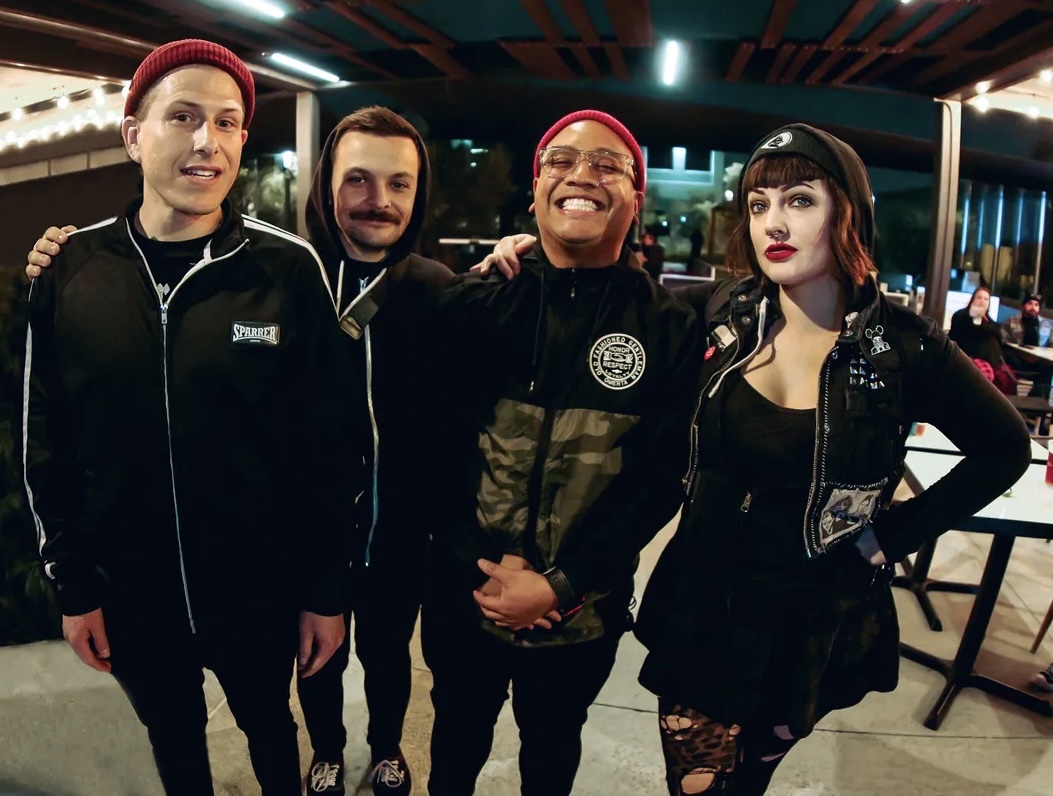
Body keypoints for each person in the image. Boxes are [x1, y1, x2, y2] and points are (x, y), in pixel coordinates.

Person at [26, 106, 453, 796]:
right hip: (275, 548)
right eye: (358, 179)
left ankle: (384, 749)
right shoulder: (292, 270)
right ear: (326, 186)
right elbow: (49, 430)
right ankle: (327, 752)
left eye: (399, 183)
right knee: (304, 675)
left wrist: (517, 255)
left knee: (383, 656)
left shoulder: (438, 290)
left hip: (392, 532)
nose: (378, 199)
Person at [628, 123, 1031, 795]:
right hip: (703, 611)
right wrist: (532, 256)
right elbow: (620, 304)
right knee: (697, 786)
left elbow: (1004, 450)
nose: (773, 223)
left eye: (799, 200)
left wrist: (886, 540)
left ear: (846, 212)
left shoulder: (903, 347)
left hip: (810, 624)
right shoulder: (724, 309)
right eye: (758, 204)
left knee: (751, 779)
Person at [424, 109, 699, 796]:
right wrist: (484, 572)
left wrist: (560, 585)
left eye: (608, 165)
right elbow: (433, 455)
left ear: (635, 197)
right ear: (535, 191)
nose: (582, 175)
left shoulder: (668, 327)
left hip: (581, 615)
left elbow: (658, 480)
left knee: (551, 750)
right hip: (466, 598)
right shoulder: (475, 302)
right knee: (455, 741)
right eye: (561, 161)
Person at [949, 286, 1016, 394]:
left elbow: (999, 336)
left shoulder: (990, 321)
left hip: (995, 361)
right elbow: (960, 334)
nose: (982, 301)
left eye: (986, 299)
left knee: (1008, 378)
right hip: (970, 358)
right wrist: (975, 316)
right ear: (972, 300)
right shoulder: (962, 316)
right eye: (979, 297)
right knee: (985, 375)